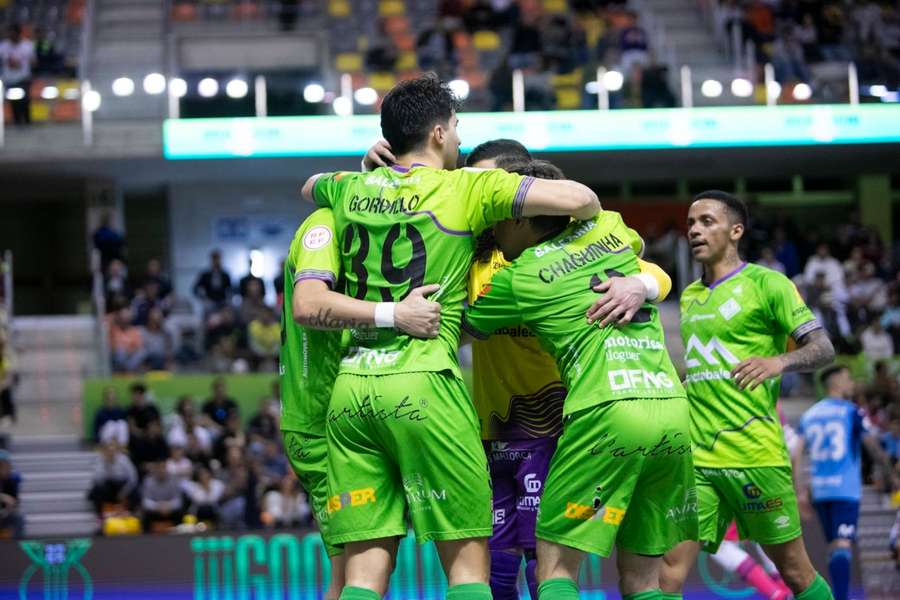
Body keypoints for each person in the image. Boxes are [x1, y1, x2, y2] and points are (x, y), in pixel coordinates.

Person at [301, 73, 600, 600]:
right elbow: (580, 199)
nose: (460, 140)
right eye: (457, 128)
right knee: (467, 569)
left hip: (351, 396)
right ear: (439, 133)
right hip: (425, 387)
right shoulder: (466, 186)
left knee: (363, 577)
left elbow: (308, 186)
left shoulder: (348, 187)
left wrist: (366, 166)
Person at [462, 159, 692, 600]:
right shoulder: (609, 226)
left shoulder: (518, 278)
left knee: (554, 572)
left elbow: (460, 332)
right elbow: (642, 254)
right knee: (646, 581)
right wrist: (640, 283)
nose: (492, 230)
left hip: (604, 411)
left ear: (519, 216)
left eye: (498, 218)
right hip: (671, 411)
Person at [661, 191, 837, 600]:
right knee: (667, 571)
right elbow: (706, 365)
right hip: (699, 457)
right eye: (690, 223)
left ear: (735, 230)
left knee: (795, 573)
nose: (694, 230)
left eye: (707, 221)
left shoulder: (767, 284)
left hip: (754, 455)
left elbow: (823, 348)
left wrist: (779, 362)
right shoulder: (689, 297)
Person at [280, 203, 444, 600]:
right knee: (352, 574)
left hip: (354, 413)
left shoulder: (367, 241)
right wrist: (395, 314)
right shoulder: (325, 227)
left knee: (372, 568)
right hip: (319, 421)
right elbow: (307, 306)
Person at [795, 365, 895, 600]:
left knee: (834, 546)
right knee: (842, 545)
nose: (852, 384)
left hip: (819, 489)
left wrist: (799, 490)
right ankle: (841, 597)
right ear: (837, 382)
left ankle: (838, 595)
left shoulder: (810, 414)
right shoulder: (851, 411)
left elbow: (795, 454)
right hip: (845, 490)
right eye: (849, 379)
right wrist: (890, 473)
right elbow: (872, 445)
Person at [87, 441, 138, 516]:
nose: (111, 453)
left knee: (135, 493)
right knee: (95, 491)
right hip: (108, 487)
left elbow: (133, 478)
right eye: (108, 451)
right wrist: (106, 465)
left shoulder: (124, 459)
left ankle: (131, 515)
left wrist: (124, 492)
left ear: (116, 451)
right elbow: (96, 480)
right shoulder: (100, 461)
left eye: (113, 451)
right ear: (104, 452)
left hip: (122, 486)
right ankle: (100, 516)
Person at [0, 24, 36, 125]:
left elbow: (33, 61)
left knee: (25, 101)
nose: (11, 35)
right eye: (9, 33)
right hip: (9, 79)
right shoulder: (3, 46)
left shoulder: (27, 45)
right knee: (13, 102)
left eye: (13, 32)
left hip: (23, 78)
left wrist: (21, 62)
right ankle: (17, 121)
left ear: (19, 33)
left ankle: (27, 121)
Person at [140, 460, 184, 532]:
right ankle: (146, 539)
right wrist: (157, 506)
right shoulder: (148, 481)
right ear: (155, 469)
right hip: (155, 511)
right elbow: (145, 501)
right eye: (159, 468)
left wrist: (168, 505)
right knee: (144, 515)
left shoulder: (173, 480)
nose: (161, 470)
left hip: (170, 510)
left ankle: (179, 537)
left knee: (180, 513)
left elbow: (178, 500)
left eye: (163, 468)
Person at [0, 450, 24, 538]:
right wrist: (3, 497)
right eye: (2, 465)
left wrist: (9, 508)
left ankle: (16, 546)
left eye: (7, 465)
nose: (6, 468)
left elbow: (15, 502)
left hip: (4, 514)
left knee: (18, 517)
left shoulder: (12, 480)